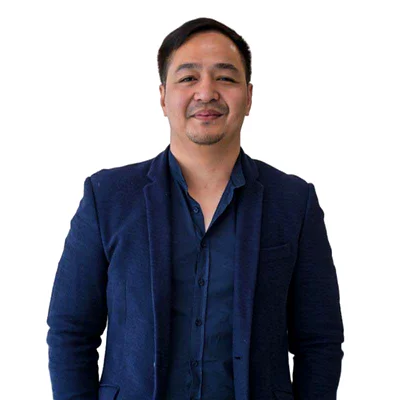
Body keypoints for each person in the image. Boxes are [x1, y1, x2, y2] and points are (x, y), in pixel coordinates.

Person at [46, 17, 344, 400]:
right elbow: (70, 332)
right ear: (163, 96)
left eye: (225, 78)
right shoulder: (108, 198)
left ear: (249, 96)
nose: (206, 92)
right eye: (188, 78)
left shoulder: (293, 202)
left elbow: (319, 340)